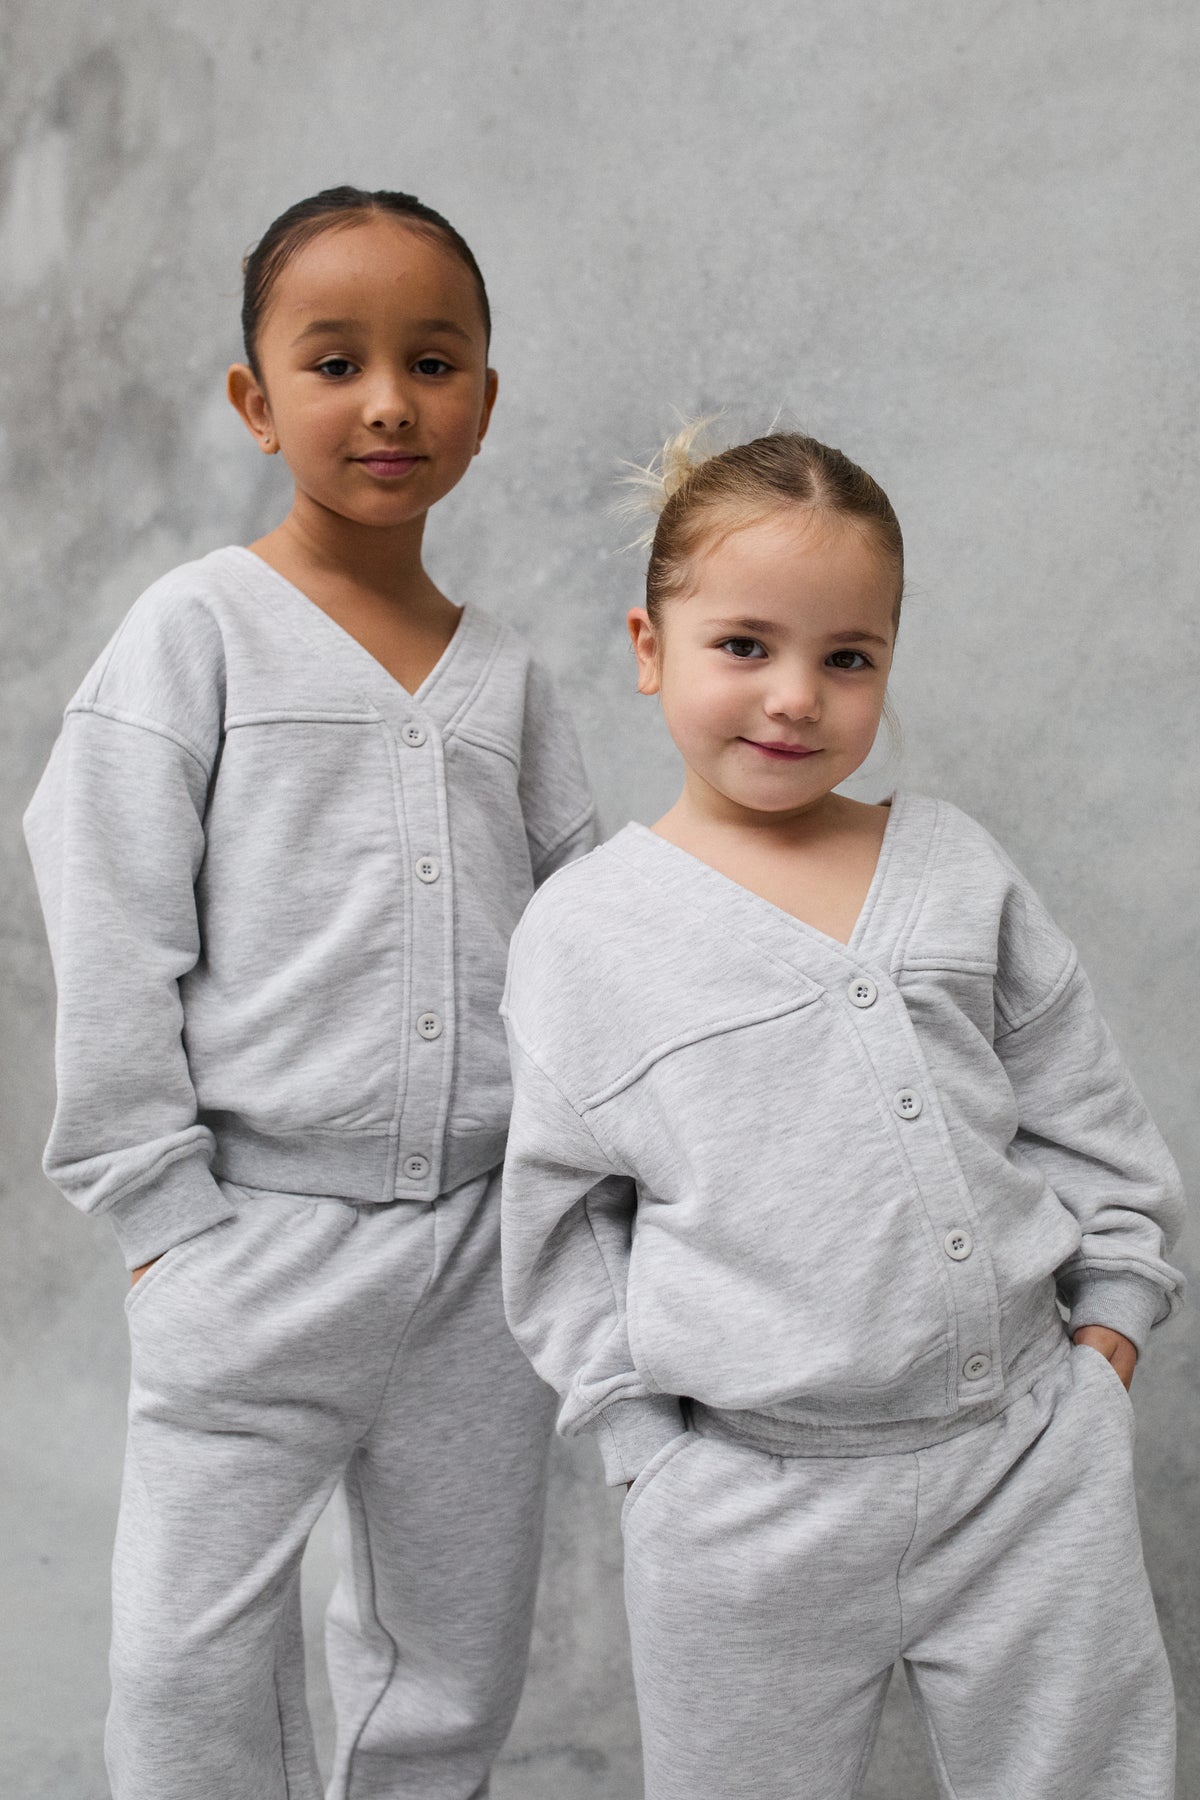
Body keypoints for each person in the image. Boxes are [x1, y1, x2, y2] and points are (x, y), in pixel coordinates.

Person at [499, 425, 1184, 1800]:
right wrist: (645, 1450)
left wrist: (1110, 1322)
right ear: (650, 646)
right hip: (748, 1506)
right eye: (744, 645)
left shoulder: (953, 867)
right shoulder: (586, 935)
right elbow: (562, 1223)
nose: (795, 697)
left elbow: (1082, 1107)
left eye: (848, 658)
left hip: (1025, 1465)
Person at [24, 185, 596, 1800]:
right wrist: (161, 1211)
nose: (389, 402)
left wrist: (588, 1194)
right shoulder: (195, 630)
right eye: (336, 363)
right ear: (256, 399)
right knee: (189, 1669)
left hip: (479, 1256)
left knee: (450, 1664)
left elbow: (587, 942)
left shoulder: (509, 679)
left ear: (485, 401)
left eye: (434, 362)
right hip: (250, 1241)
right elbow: (109, 908)